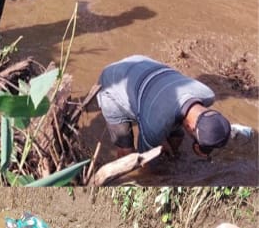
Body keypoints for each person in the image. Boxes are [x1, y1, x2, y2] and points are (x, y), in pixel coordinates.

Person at [97, 55, 232, 159]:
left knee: (176, 136)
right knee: (128, 153)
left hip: (142, 63)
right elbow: (144, 160)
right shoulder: (155, 124)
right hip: (113, 83)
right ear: (190, 127)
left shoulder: (207, 94)